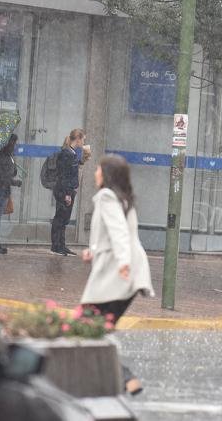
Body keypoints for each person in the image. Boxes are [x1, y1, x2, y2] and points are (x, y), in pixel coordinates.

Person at [80, 154, 154, 395]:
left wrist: (122, 262)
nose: (95, 173)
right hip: (131, 275)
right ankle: (117, 381)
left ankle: (121, 378)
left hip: (117, 276)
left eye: (98, 169)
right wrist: (93, 251)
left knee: (86, 329)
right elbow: (118, 234)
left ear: (107, 174)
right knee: (95, 330)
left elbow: (120, 233)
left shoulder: (106, 196)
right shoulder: (125, 199)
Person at [50, 128, 86, 256]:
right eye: (83, 139)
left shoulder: (72, 153)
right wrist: (67, 193)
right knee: (60, 217)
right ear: (77, 139)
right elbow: (65, 175)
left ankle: (61, 244)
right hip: (64, 190)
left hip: (68, 189)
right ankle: (56, 245)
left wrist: (82, 161)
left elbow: (71, 172)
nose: (83, 142)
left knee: (64, 218)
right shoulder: (67, 153)